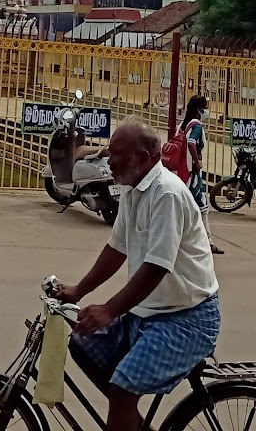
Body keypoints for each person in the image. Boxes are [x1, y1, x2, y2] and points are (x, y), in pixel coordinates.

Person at [56, 122, 220, 431]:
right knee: (82, 342)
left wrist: (108, 310)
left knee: (121, 389)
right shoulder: (132, 189)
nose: (109, 160)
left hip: (187, 319)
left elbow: (156, 267)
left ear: (143, 158)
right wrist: (78, 291)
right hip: (148, 313)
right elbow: (116, 249)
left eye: (117, 154)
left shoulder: (167, 194)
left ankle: (123, 413)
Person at [179, 95, 223, 255]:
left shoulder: (183, 125)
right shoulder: (196, 126)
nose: (207, 110)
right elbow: (191, 143)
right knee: (202, 208)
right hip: (192, 173)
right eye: (205, 107)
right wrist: (197, 162)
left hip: (181, 171)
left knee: (183, 205)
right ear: (199, 109)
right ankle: (208, 242)